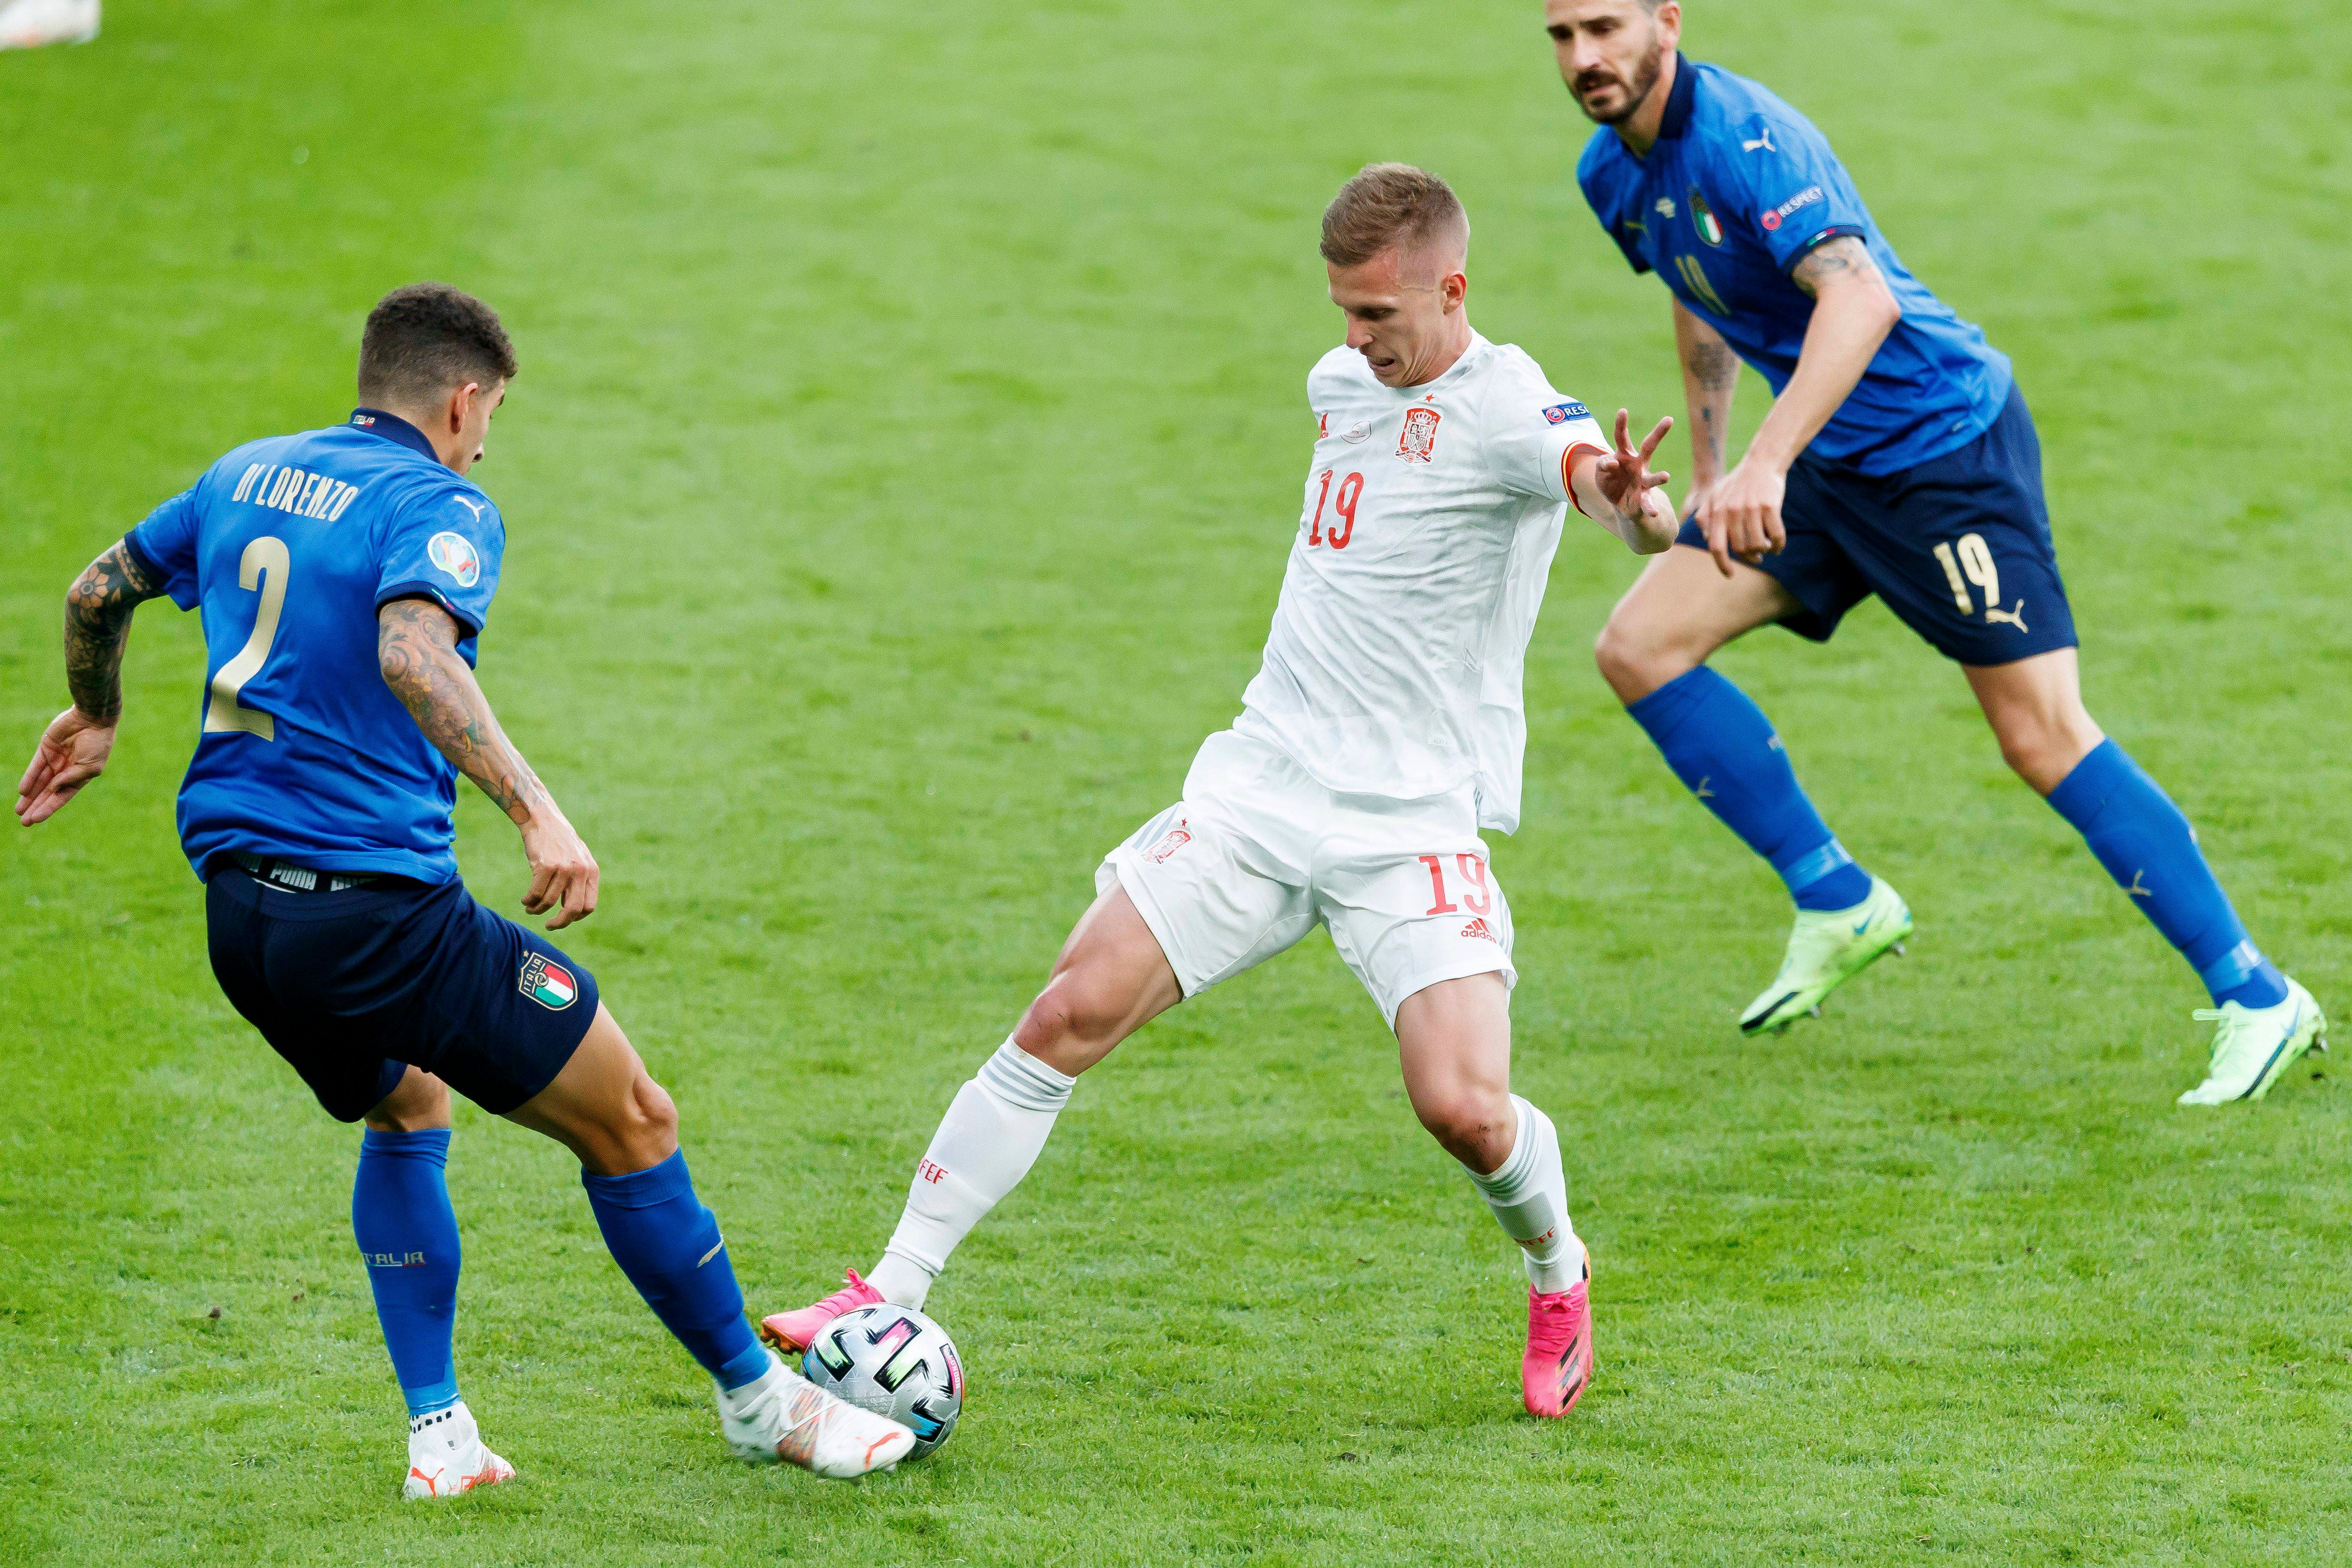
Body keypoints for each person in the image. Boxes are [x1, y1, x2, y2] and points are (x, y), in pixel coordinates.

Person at [761, 166, 1679, 1419]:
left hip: (1406, 825)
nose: (1352, 343)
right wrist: (1367, 363)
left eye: (1377, 318)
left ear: (1451, 289)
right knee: (1063, 1015)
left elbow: (1594, 476)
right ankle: (891, 1290)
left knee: (1462, 1107)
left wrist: (1632, 506)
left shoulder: (1509, 403)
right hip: (1261, 784)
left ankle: (1555, 1264)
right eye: (1342, 313)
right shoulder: (1337, 383)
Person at [13, 283, 913, 1491]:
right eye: (489, 418)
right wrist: (540, 814)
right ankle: (763, 1403)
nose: (486, 440)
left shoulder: (242, 473)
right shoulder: (440, 501)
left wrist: (97, 713)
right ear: (462, 399)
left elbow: (94, 591)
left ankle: (439, 1439)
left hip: (244, 918)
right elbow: (408, 649)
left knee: (409, 1107)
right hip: (378, 917)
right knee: (633, 1118)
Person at [1545, 0, 2324, 1104]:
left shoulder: (1744, 139)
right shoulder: (1607, 174)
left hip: (1937, 450)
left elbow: (1854, 297)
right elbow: (1700, 291)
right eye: (1561, 37)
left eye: (1603, 27)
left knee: (2039, 734)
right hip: (1823, 458)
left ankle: (2256, 995)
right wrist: (1717, 467)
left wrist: (1767, 462)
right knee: (1639, 645)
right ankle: (1835, 898)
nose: (1584, 58)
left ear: (1666, 21)